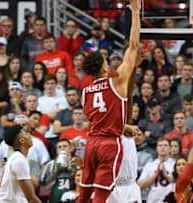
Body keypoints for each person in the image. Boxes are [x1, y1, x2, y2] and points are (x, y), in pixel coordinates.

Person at [77, 0, 141, 201]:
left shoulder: (84, 92)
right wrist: (136, 12)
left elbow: (101, 118)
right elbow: (133, 46)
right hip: (109, 145)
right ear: (104, 69)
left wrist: (125, 126)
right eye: (107, 62)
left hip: (92, 143)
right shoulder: (118, 81)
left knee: (84, 195)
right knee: (101, 198)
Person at [0, 125, 41, 203]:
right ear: (22, 140)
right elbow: (31, 197)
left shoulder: (15, 158)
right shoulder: (19, 160)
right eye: (26, 133)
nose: (30, 135)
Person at [138, 137, 176, 202]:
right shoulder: (149, 165)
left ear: (170, 148)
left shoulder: (175, 164)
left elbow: (181, 184)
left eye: (165, 145)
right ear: (156, 148)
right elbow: (140, 186)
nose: (162, 147)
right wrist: (155, 175)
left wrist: (167, 176)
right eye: (160, 145)